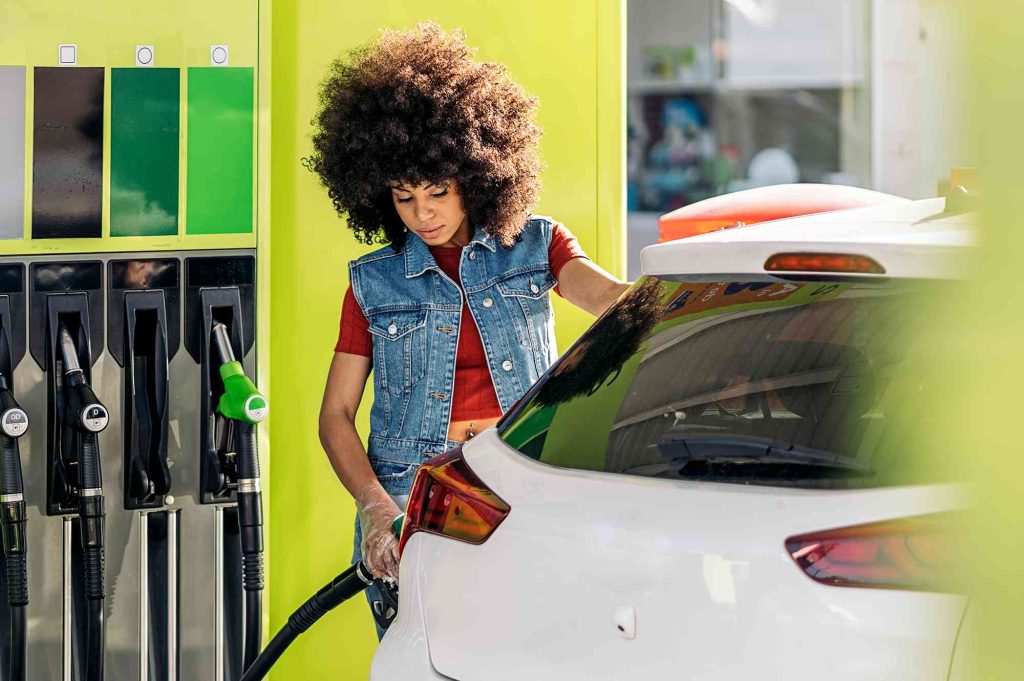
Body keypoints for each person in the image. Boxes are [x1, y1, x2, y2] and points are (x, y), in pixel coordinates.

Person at [309, 22, 629, 637]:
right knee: (423, 660)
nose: (422, 213)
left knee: (533, 652)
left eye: (437, 192)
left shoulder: (535, 245)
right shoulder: (375, 283)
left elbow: (609, 299)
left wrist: (687, 292)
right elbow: (335, 415)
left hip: (524, 478)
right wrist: (377, 509)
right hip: (415, 496)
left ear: (478, 177)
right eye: (403, 198)